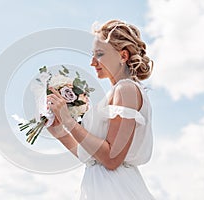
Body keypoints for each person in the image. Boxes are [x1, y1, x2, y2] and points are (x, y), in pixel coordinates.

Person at [47, 19, 155, 200]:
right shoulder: (117, 92)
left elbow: (112, 159)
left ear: (123, 56)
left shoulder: (126, 89)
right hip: (101, 186)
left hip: (115, 190)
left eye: (99, 54)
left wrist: (68, 120)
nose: (92, 62)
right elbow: (92, 157)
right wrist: (58, 130)